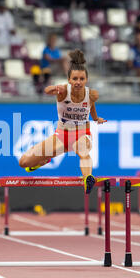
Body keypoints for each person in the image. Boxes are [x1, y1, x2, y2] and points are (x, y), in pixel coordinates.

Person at [19, 49, 106, 194]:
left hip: (82, 134)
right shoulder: (64, 91)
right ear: (69, 80)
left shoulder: (92, 94)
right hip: (61, 137)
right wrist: (53, 88)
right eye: (75, 79)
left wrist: (96, 119)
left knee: (82, 150)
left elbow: (91, 108)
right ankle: (44, 160)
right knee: (24, 162)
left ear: (86, 80)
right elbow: (46, 90)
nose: (78, 82)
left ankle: (88, 178)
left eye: (82, 79)